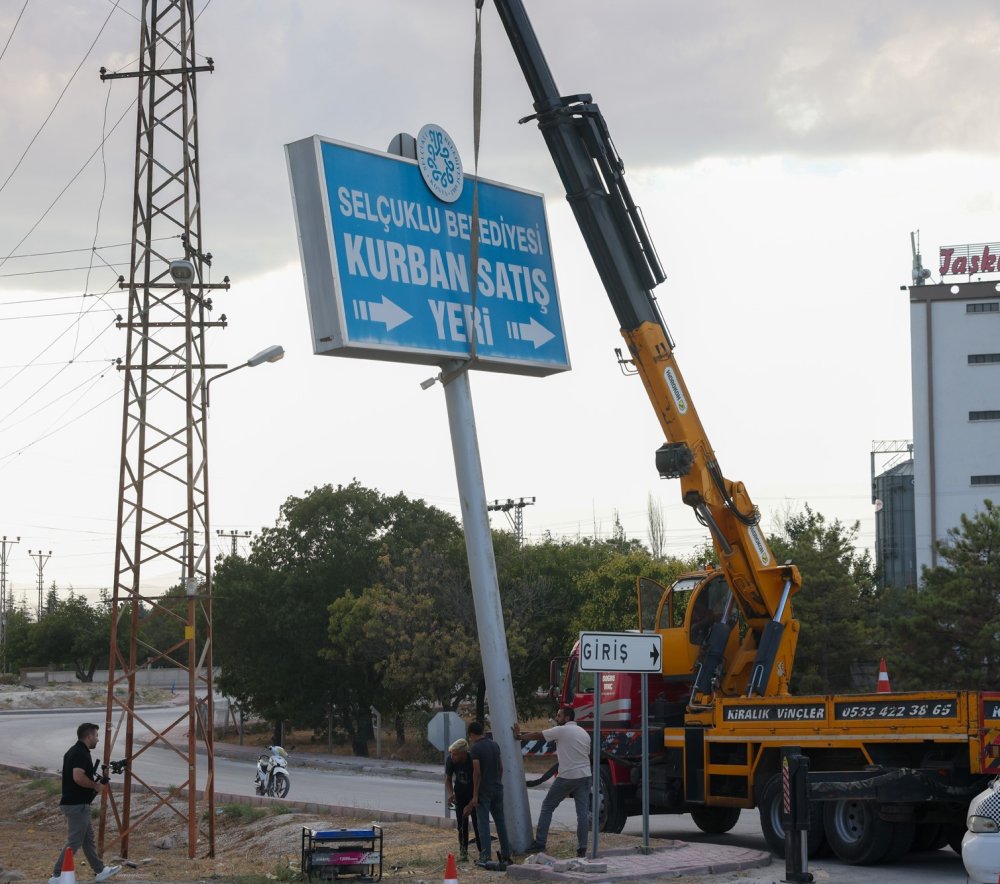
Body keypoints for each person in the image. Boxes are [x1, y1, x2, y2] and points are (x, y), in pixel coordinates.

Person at [514, 706, 591, 857]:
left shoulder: (562, 730)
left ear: (567, 717)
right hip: (585, 775)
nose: (556, 718)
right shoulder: (583, 733)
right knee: (582, 813)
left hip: (568, 776)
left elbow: (538, 735)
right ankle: (582, 848)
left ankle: (540, 843)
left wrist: (520, 737)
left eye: (559, 715)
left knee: (547, 806)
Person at [49, 723, 121, 884]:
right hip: (77, 804)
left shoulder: (74, 751)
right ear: (89, 736)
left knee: (88, 840)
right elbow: (78, 777)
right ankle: (57, 875)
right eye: (96, 736)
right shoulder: (80, 753)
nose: (98, 739)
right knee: (75, 840)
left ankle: (100, 870)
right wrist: (95, 785)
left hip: (78, 803)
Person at [465, 721, 511, 866]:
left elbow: (477, 772)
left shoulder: (475, 748)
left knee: (483, 824)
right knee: (500, 822)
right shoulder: (494, 745)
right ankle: (506, 854)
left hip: (484, 791)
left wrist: (475, 795)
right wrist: (497, 782)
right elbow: (501, 768)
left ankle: (485, 857)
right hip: (497, 788)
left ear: (471, 734)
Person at [443, 738, 481, 862]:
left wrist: (473, 801)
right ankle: (463, 854)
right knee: (461, 825)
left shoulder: (472, 760)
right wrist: (450, 794)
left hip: (474, 794)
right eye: (451, 753)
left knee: (477, 824)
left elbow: (479, 778)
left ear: (463, 753)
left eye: (455, 754)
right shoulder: (450, 760)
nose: (452, 756)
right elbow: (448, 779)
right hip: (460, 795)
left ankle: (483, 853)